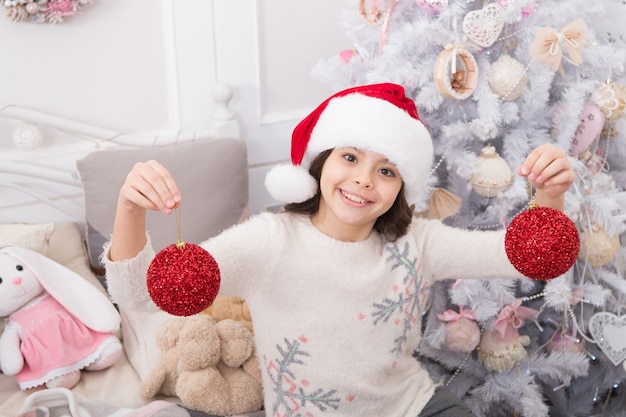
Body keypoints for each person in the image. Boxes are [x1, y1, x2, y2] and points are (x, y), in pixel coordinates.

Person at [103, 83, 575, 417]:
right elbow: (142, 295)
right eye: (350, 157)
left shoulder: (419, 243)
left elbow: (533, 256)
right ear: (321, 162)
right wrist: (130, 207)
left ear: (401, 189)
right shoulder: (270, 240)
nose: (364, 180)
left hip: (411, 406)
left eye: (387, 171)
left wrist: (550, 193)